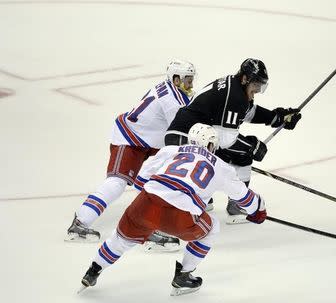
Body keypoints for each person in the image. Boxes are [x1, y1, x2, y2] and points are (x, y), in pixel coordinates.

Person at [78, 123, 267, 296]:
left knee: (120, 240)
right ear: (211, 145)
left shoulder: (170, 150)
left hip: (145, 202)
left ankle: (93, 270)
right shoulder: (221, 166)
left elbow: (141, 180)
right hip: (181, 216)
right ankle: (184, 276)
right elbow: (245, 198)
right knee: (212, 228)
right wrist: (258, 211)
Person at [66, 60, 196, 250]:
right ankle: (80, 223)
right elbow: (181, 131)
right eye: (187, 80)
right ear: (175, 79)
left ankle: (154, 222)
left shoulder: (174, 91)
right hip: (130, 139)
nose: (191, 84)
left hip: (149, 141)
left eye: (192, 80)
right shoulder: (171, 101)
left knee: (165, 178)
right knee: (117, 183)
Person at [164, 58, 301, 223]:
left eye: (260, 85)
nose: (257, 89)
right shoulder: (234, 96)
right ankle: (190, 204)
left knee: (241, 156)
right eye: (256, 84)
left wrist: (276, 117)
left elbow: (247, 112)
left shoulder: (235, 88)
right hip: (182, 138)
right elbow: (225, 140)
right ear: (245, 79)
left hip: (190, 135)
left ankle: (235, 204)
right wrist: (252, 146)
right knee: (242, 153)